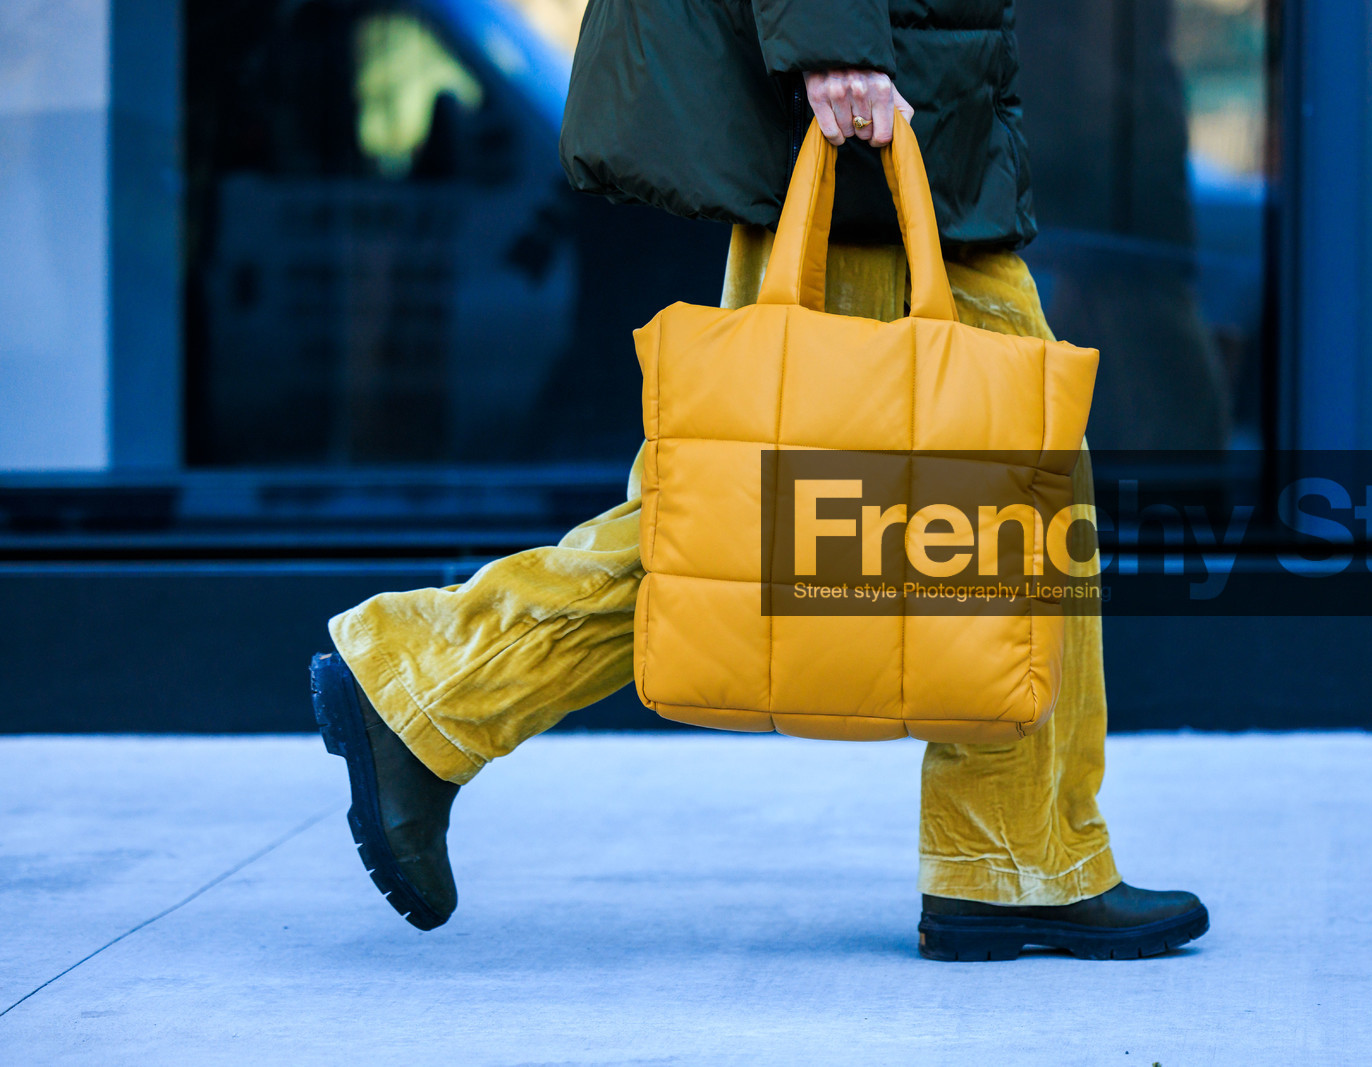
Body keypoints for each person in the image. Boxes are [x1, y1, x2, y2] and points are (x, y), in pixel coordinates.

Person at [311, 0, 1209, 962]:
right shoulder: (850, 70)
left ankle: (1013, 854)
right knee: (830, 518)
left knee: (935, 505)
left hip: (922, 92)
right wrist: (835, 48)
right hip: (875, 94)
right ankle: (428, 685)